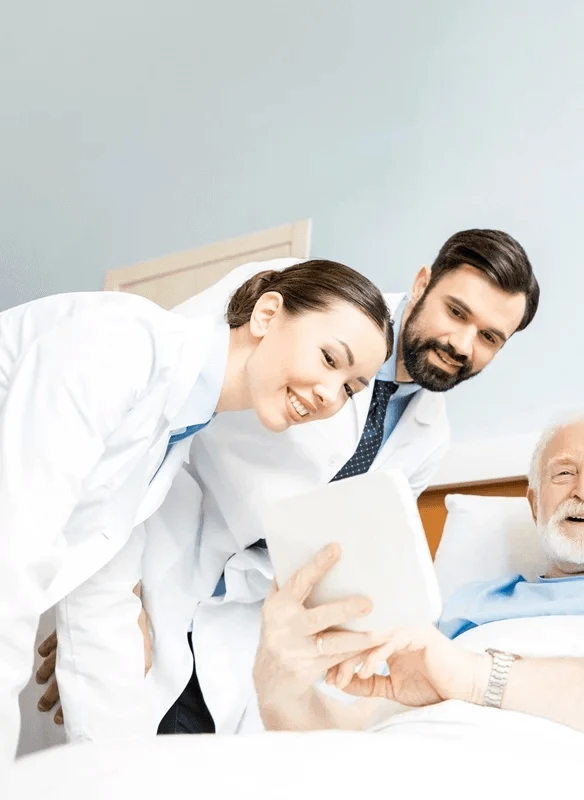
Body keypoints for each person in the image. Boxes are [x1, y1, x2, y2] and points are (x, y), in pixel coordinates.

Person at [31, 230, 541, 741]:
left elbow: (364, 557)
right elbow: (157, 405)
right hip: (153, 573)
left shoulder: (429, 437)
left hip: (244, 633)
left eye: (490, 337)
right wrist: (109, 595)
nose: (462, 344)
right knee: (105, 759)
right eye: (456, 312)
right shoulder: (301, 301)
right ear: (423, 282)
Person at [250, 415, 584, 796]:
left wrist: (479, 678)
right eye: (562, 474)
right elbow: (347, 737)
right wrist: (277, 686)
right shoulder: (466, 607)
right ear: (534, 503)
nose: (583, 491)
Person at [0, 259, 394, 762]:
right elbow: (11, 561)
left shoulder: (169, 438)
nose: (329, 396)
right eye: (329, 359)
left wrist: (125, 775)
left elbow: (102, 603)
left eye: (350, 388)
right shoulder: (119, 344)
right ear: (267, 314)